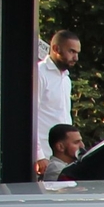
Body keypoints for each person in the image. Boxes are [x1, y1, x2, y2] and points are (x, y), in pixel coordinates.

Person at [32, 30, 80, 177]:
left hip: (61, 157)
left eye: (77, 53)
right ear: (56, 49)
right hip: (44, 157)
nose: (75, 57)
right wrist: (38, 155)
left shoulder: (66, 78)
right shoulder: (39, 74)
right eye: (71, 51)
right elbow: (30, 117)